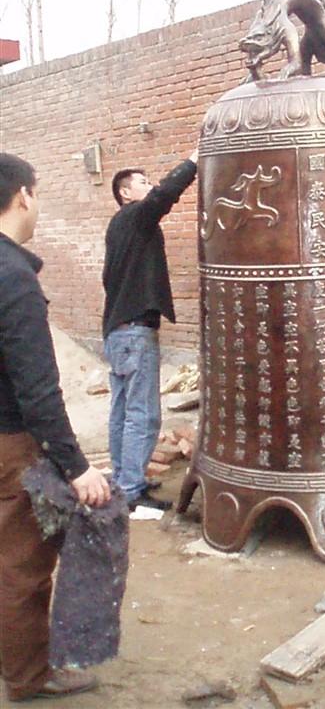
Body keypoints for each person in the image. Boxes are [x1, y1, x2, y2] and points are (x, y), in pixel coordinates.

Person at [0, 152, 111, 703]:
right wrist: (77, 466)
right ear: (23, 196)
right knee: (24, 566)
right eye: (37, 194)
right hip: (12, 443)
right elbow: (38, 392)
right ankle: (27, 676)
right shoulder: (14, 278)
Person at [102, 149, 198, 512]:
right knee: (143, 413)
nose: (151, 186)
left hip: (117, 332)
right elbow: (164, 196)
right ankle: (131, 490)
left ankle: (123, 476)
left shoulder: (122, 227)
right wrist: (194, 160)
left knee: (123, 409)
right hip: (134, 333)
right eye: (142, 182)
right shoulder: (134, 217)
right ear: (125, 193)